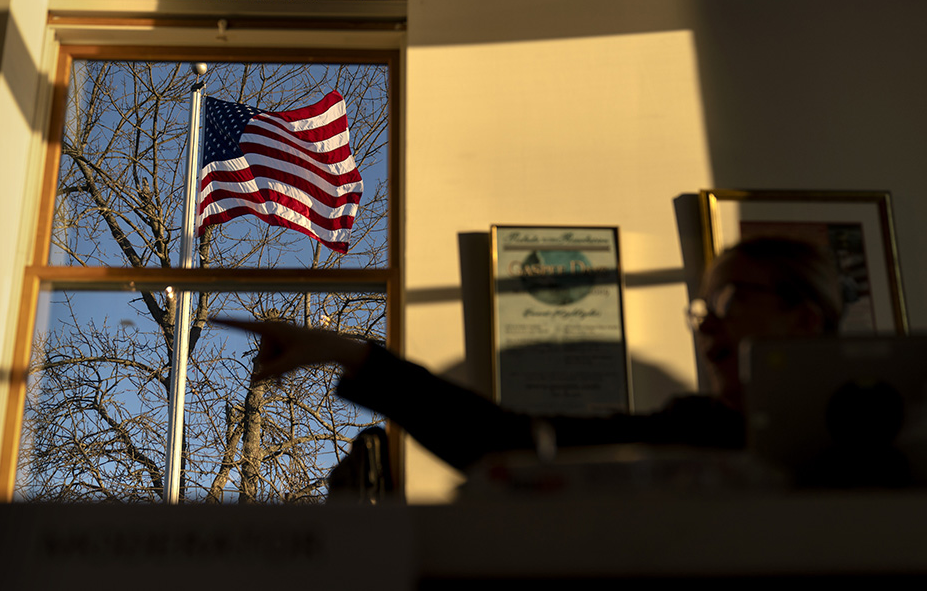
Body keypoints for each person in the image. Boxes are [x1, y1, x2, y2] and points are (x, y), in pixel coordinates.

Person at [216, 236, 843, 473]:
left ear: (805, 318)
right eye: (701, 311)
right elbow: (508, 442)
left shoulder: (888, 442)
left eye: (728, 301)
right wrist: (346, 352)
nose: (707, 329)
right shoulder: (694, 430)